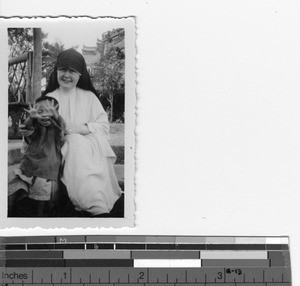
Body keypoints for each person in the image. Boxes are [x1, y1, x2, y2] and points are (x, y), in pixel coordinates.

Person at [42, 48, 123, 216]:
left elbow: (103, 127)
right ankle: (94, 205)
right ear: (56, 71)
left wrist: (82, 128)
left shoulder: (89, 97)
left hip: (91, 148)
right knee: (74, 143)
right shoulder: (49, 97)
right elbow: (41, 128)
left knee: (79, 144)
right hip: (61, 149)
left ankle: (95, 202)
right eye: (63, 70)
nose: (66, 75)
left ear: (80, 75)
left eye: (72, 71)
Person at [9, 96, 65, 217]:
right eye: (40, 112)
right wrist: (31, 117)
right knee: (10, 187)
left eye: (49, 111)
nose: (45, 115)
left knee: (41, 200)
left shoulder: (55, 129)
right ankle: (8, 217)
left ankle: (39, 219)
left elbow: (61, 131)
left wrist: (56, 117)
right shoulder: (36, 127)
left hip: (45, 172)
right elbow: (26, 128)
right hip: (27, 168)